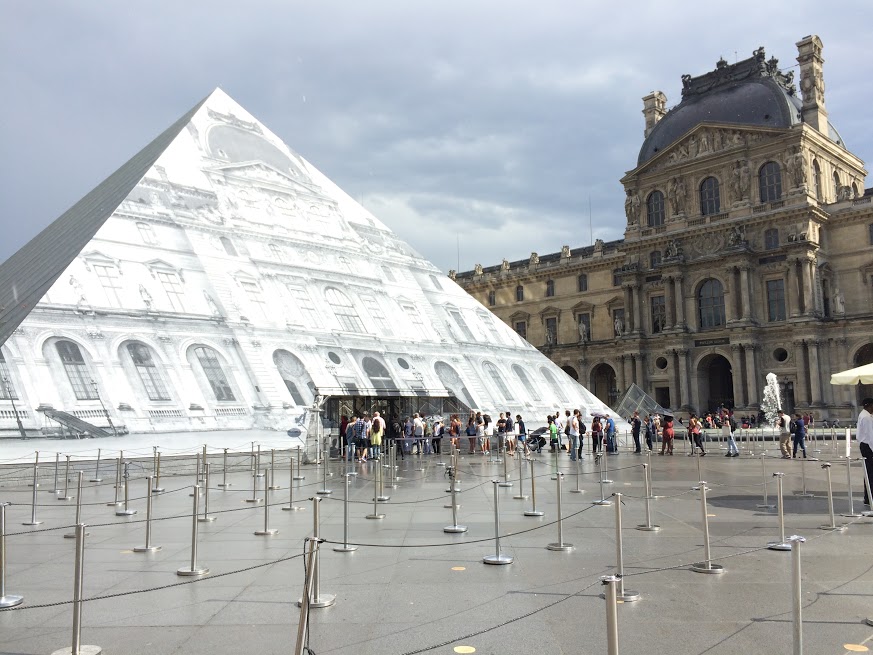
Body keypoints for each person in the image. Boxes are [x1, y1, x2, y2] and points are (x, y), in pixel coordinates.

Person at [857, 398, 873, 507]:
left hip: (864, 445)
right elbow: (870, 436)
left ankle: (868, 497)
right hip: (868, 446)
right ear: (870, 405)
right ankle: (870, 497)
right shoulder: (867, 417)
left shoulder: (863, 414)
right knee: (870, 473)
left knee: (868, 472)